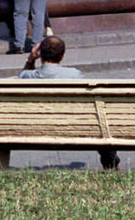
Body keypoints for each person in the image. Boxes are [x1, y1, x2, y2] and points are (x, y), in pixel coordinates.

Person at [18, 36, 119, 170]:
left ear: (40, 55)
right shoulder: (75, 75)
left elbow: (24, 74)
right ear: (63, 56)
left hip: (35, 128)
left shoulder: (28, 77)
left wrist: (31, 59)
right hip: (73, 127)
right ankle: (111, 165)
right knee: (100, 124)